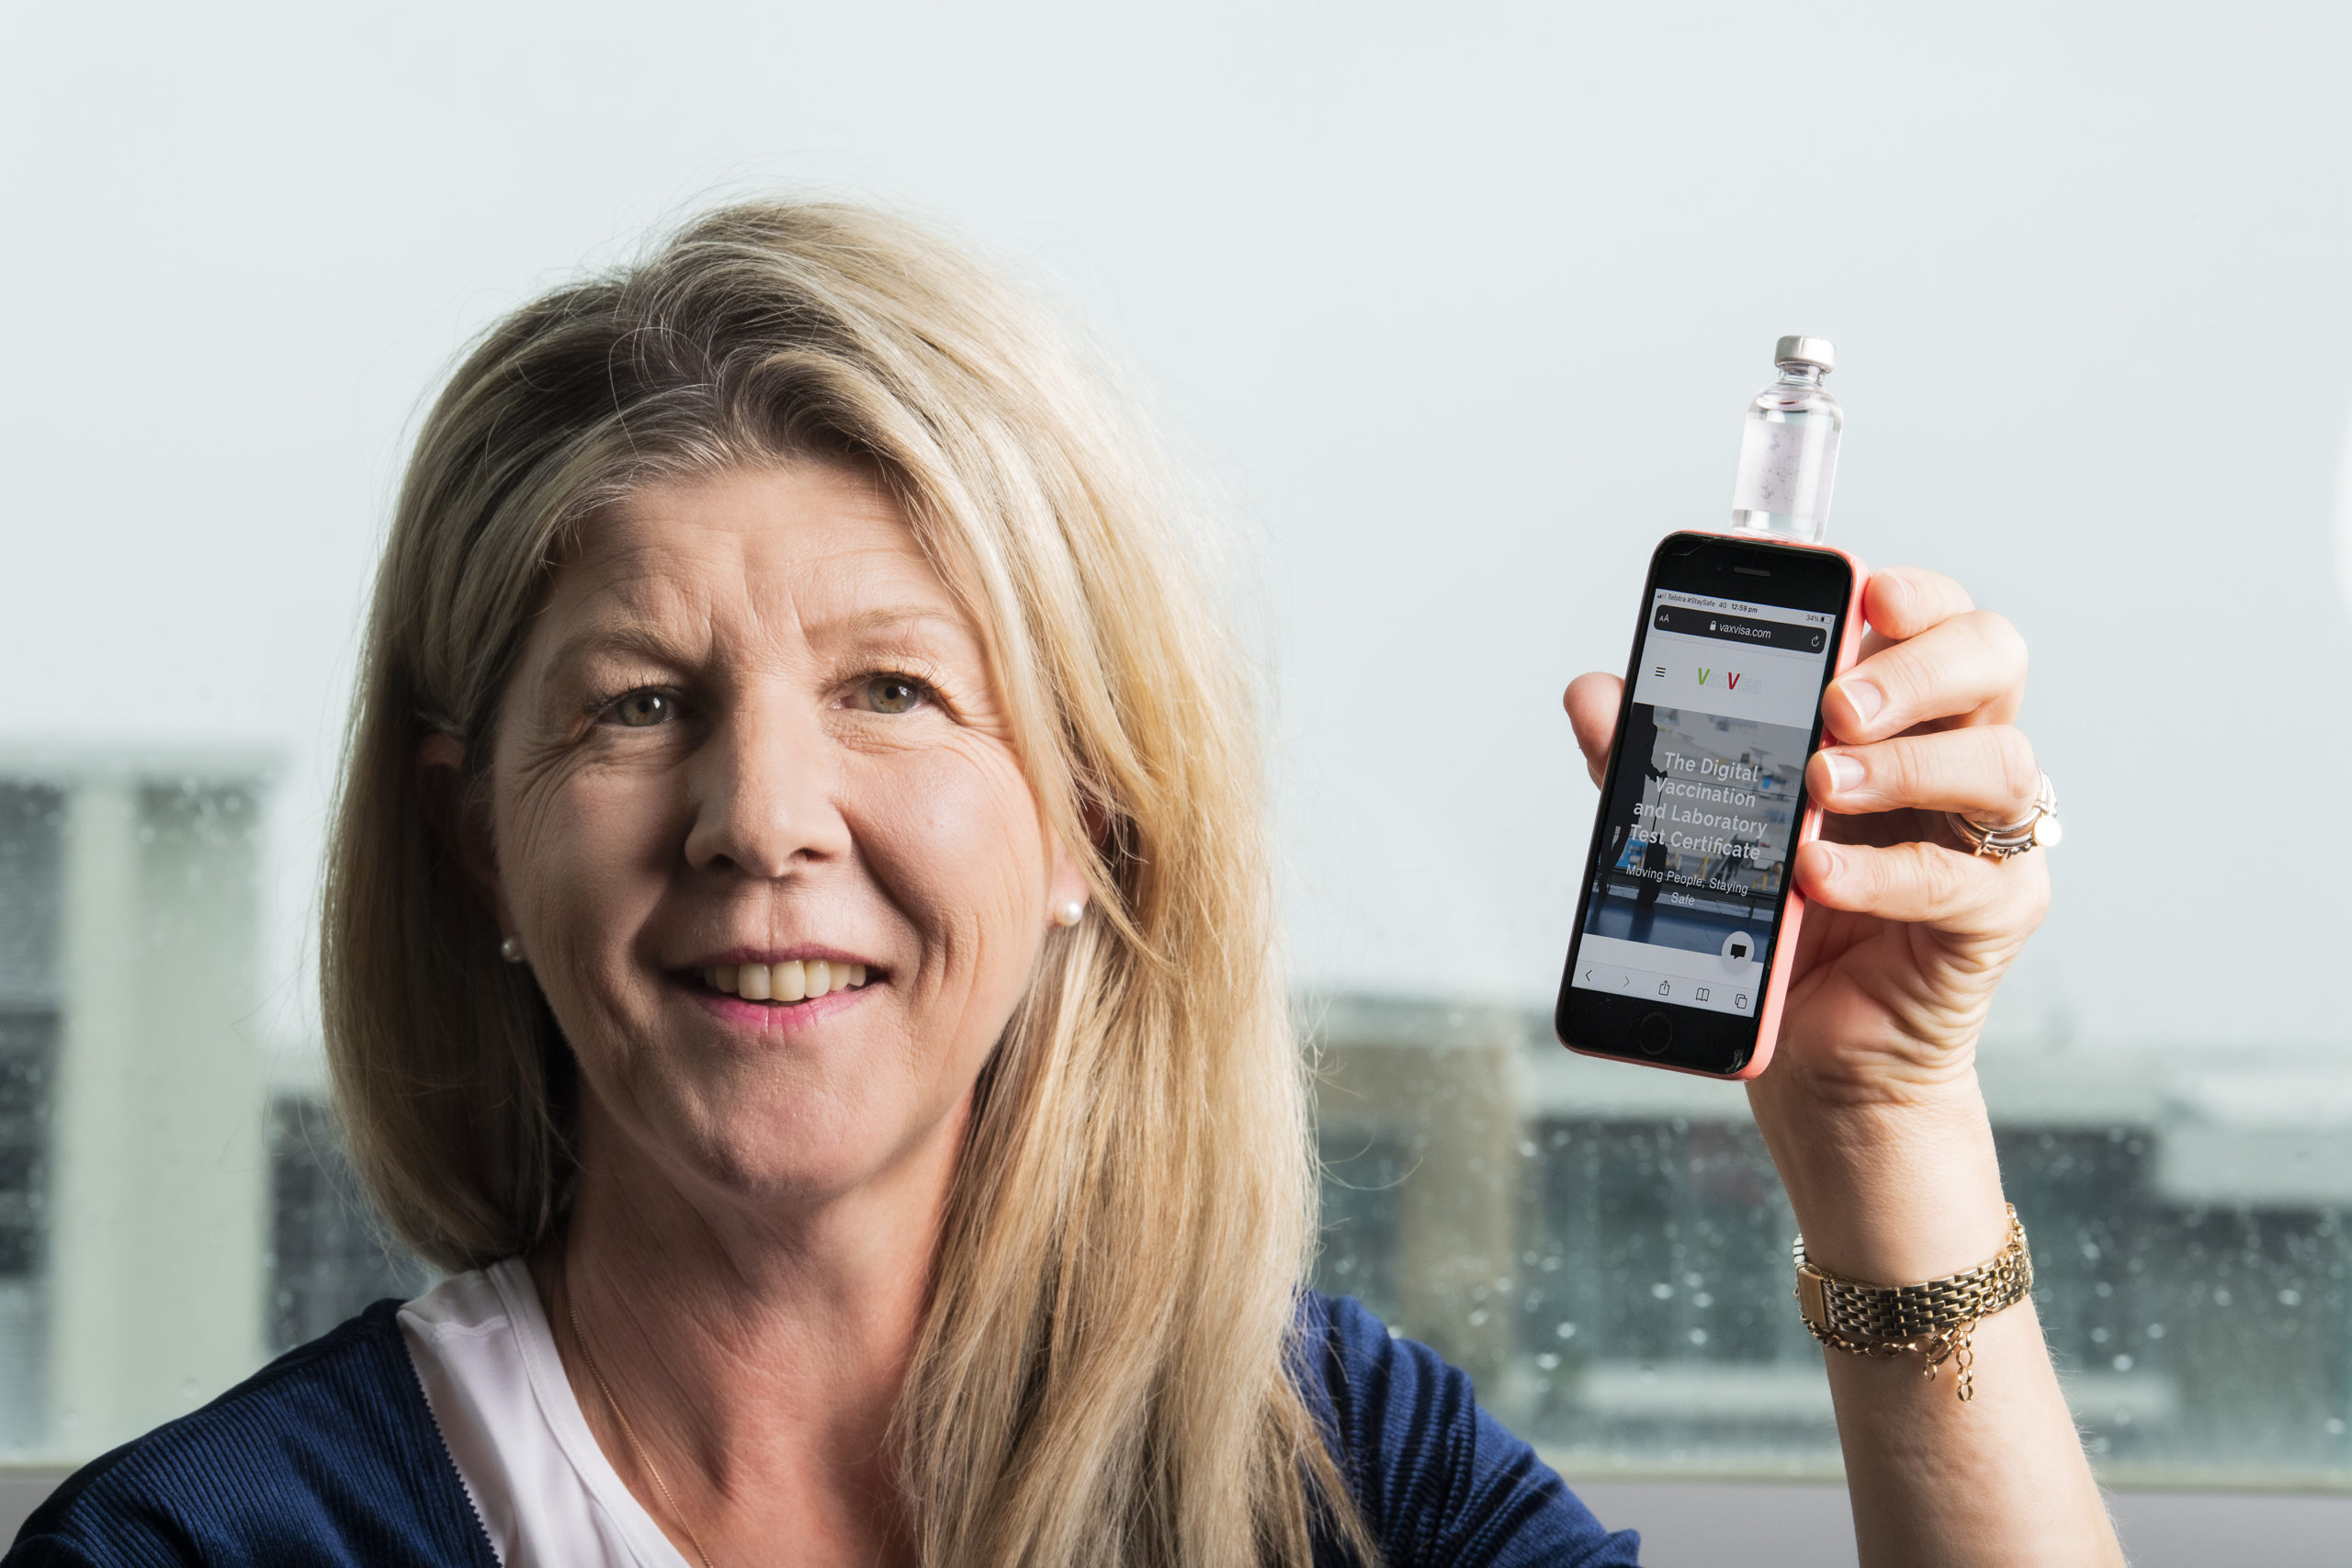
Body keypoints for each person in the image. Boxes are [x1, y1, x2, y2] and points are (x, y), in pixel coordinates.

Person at [6, 201, 2123, 1567]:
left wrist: (1883, 1130)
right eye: (640, 702)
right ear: (478, 826)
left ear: (1092, 824)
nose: (762, 815)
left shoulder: (1337, 1470)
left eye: (895, 688)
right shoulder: (211, 1546)